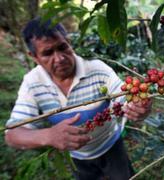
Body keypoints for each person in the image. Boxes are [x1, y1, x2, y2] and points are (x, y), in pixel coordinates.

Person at [4, 17, 152, 180]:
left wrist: (137, 106)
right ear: (34, 57)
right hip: (78, 158)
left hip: (111, 146)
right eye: (47, 53)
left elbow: (124, 97)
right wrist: (48, 136)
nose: (59, 58)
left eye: (62, 47)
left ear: (68, 42)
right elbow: (12, 134)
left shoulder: (97, 69)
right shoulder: (32, 83)